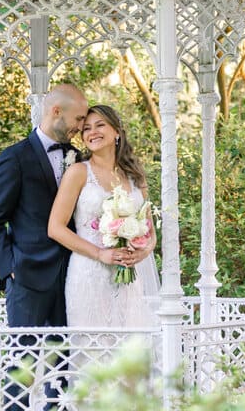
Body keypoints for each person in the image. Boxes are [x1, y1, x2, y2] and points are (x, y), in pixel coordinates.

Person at [0, 83, 88, 409]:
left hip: (72, 275)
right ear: (56, 111)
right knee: (22, 363)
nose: (81, 126)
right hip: (27, 276)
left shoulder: (78, 159)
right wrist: (10, 269)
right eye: (79, 118)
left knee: (62, 363)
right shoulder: (14, 158)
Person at [48, 104, 159, 338]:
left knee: (130, 353)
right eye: (86, 128)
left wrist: (143, 250)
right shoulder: (78, 172)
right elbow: (55, 228)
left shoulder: (135, 175)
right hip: (89, 274)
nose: (92, 132)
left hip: (129, 278)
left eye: (100, 125)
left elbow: (149, 229)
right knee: (93, 352)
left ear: (117, 131)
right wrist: (100, 254)